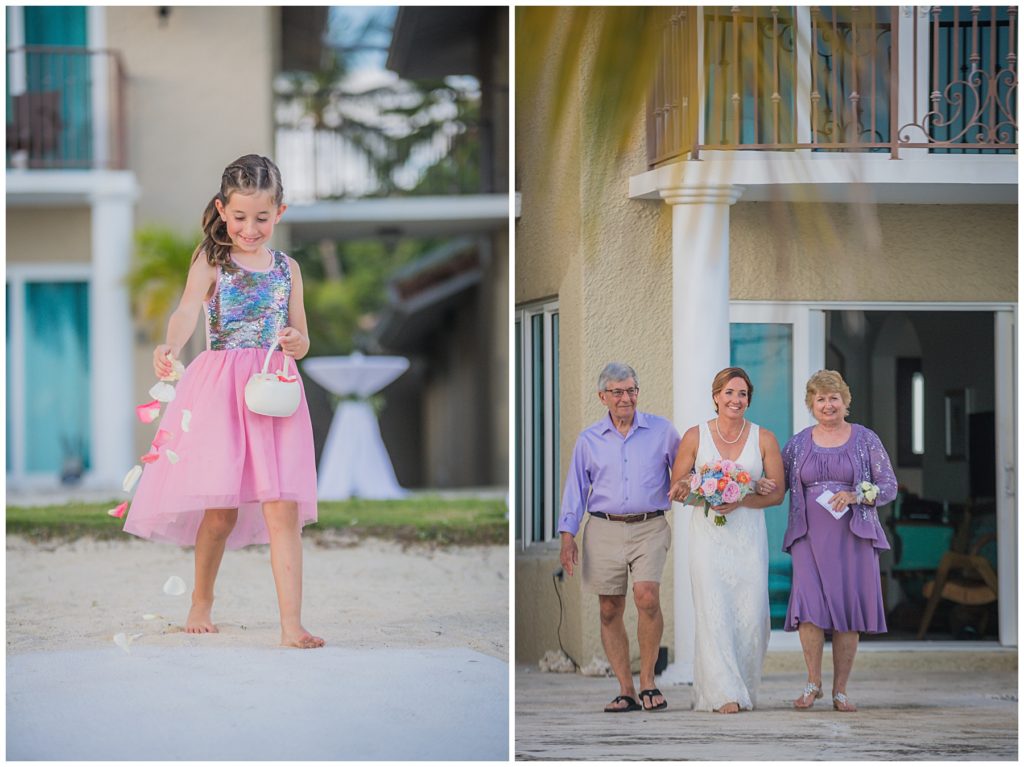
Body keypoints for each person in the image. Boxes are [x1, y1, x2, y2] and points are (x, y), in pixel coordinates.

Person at [123, 154, 324, 649]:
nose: (250, 229)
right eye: (239, 217)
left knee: (283, 509)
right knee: (220, 512)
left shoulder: (288, 269)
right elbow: (187, 310)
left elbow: (299, 331)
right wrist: (170, 345)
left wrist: (298, 343)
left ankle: (290, 625)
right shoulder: (211, 260)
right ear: (222, 209)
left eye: (261, 217)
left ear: (279, 211)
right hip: (221, 391)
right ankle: (201, 599)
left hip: (274, 389)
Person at [762, 369, 896, 711]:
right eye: (820, 399)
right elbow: (778, 484)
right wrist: (751, 485)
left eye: (833, 398)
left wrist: (857, 496)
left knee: (848, 612)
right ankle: (812, 684)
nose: (827, 405)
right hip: (808, 537)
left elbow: (888, 486)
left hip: (853, 538)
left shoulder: (865, 439)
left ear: (845, 402)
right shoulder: (798, 443)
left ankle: (840, 691)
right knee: (809, 610)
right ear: (811, 404)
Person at [559, 362, 680, 713]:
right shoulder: (589, 439)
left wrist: (693, 487)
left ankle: (648, 683)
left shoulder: (662, 430)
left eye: (631, 390)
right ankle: (625, 688)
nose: (626, 397)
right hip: (603, 527)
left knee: (647, 597)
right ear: (603, 396)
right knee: (610, 608)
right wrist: (567, 534)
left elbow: (683, 469)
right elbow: (576, 490)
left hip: (650, 526)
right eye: (617, 391)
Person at [668, 367, 785, 713]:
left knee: (751, 616)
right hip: (708, 537)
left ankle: (744, 687)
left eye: (743, 394)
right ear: (716, 396)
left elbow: (777, 494)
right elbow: (678, 490)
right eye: (729, 392)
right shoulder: (695, 436)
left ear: (749, 400)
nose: (736, 400)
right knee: (713, 612)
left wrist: (742, 495)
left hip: (748, 538)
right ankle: (723, 694)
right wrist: (703, 492)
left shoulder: (764, 438)